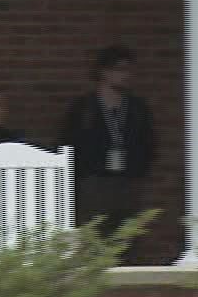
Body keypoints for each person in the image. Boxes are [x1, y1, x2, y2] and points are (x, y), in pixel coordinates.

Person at [62, 45, 156, 246]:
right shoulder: (84, 108)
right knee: (91, 240)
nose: (126, 75)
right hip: (94, 184)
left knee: (126, 241)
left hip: (128, 183)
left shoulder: (137, 108)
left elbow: (149, 144)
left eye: (130, 70)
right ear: (103, 72)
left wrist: (138, 170)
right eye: (120, 69)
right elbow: (68, 144)